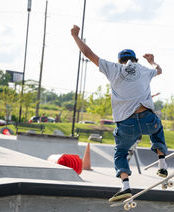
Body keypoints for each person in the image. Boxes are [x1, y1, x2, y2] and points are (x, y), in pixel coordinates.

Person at [71, 25, 168, 202]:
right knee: (157, 129)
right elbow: (159, 70)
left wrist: (75, 36)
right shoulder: (144, 70)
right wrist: (152, 60)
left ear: (119, 60)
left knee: (120, 153)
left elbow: (88, 53)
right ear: (135, 59)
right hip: (148, 119)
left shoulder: (113, 69)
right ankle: (162, 163)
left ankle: (125, 186)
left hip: (126, 124)